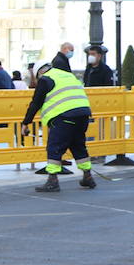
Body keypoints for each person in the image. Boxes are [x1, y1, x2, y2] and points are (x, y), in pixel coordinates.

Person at [21, 50, 95, 192]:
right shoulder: (68, 75)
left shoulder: (45, 79)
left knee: (54, 147)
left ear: (40, 72)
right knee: (78, 145)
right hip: (83, 115)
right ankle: (88, 176)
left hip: (64, 117)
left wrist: (26, 123)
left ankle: (52, 181)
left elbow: (36, 103)